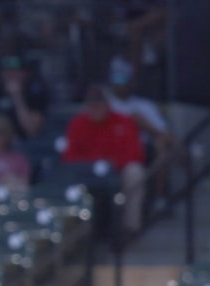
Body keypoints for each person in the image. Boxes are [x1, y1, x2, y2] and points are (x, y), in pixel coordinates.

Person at [58, 85, 148, 230]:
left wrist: (112, 164)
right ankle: (75, 232)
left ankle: (130, 227)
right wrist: (90, 165)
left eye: (99, 103)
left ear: (107, 104)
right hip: (87, 174)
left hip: (117, 171)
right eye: (92, 104)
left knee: (135, 172)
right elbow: (69, 156)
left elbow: (135, 154)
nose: (95, 108)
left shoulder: (124, 122)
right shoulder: (77, 124)